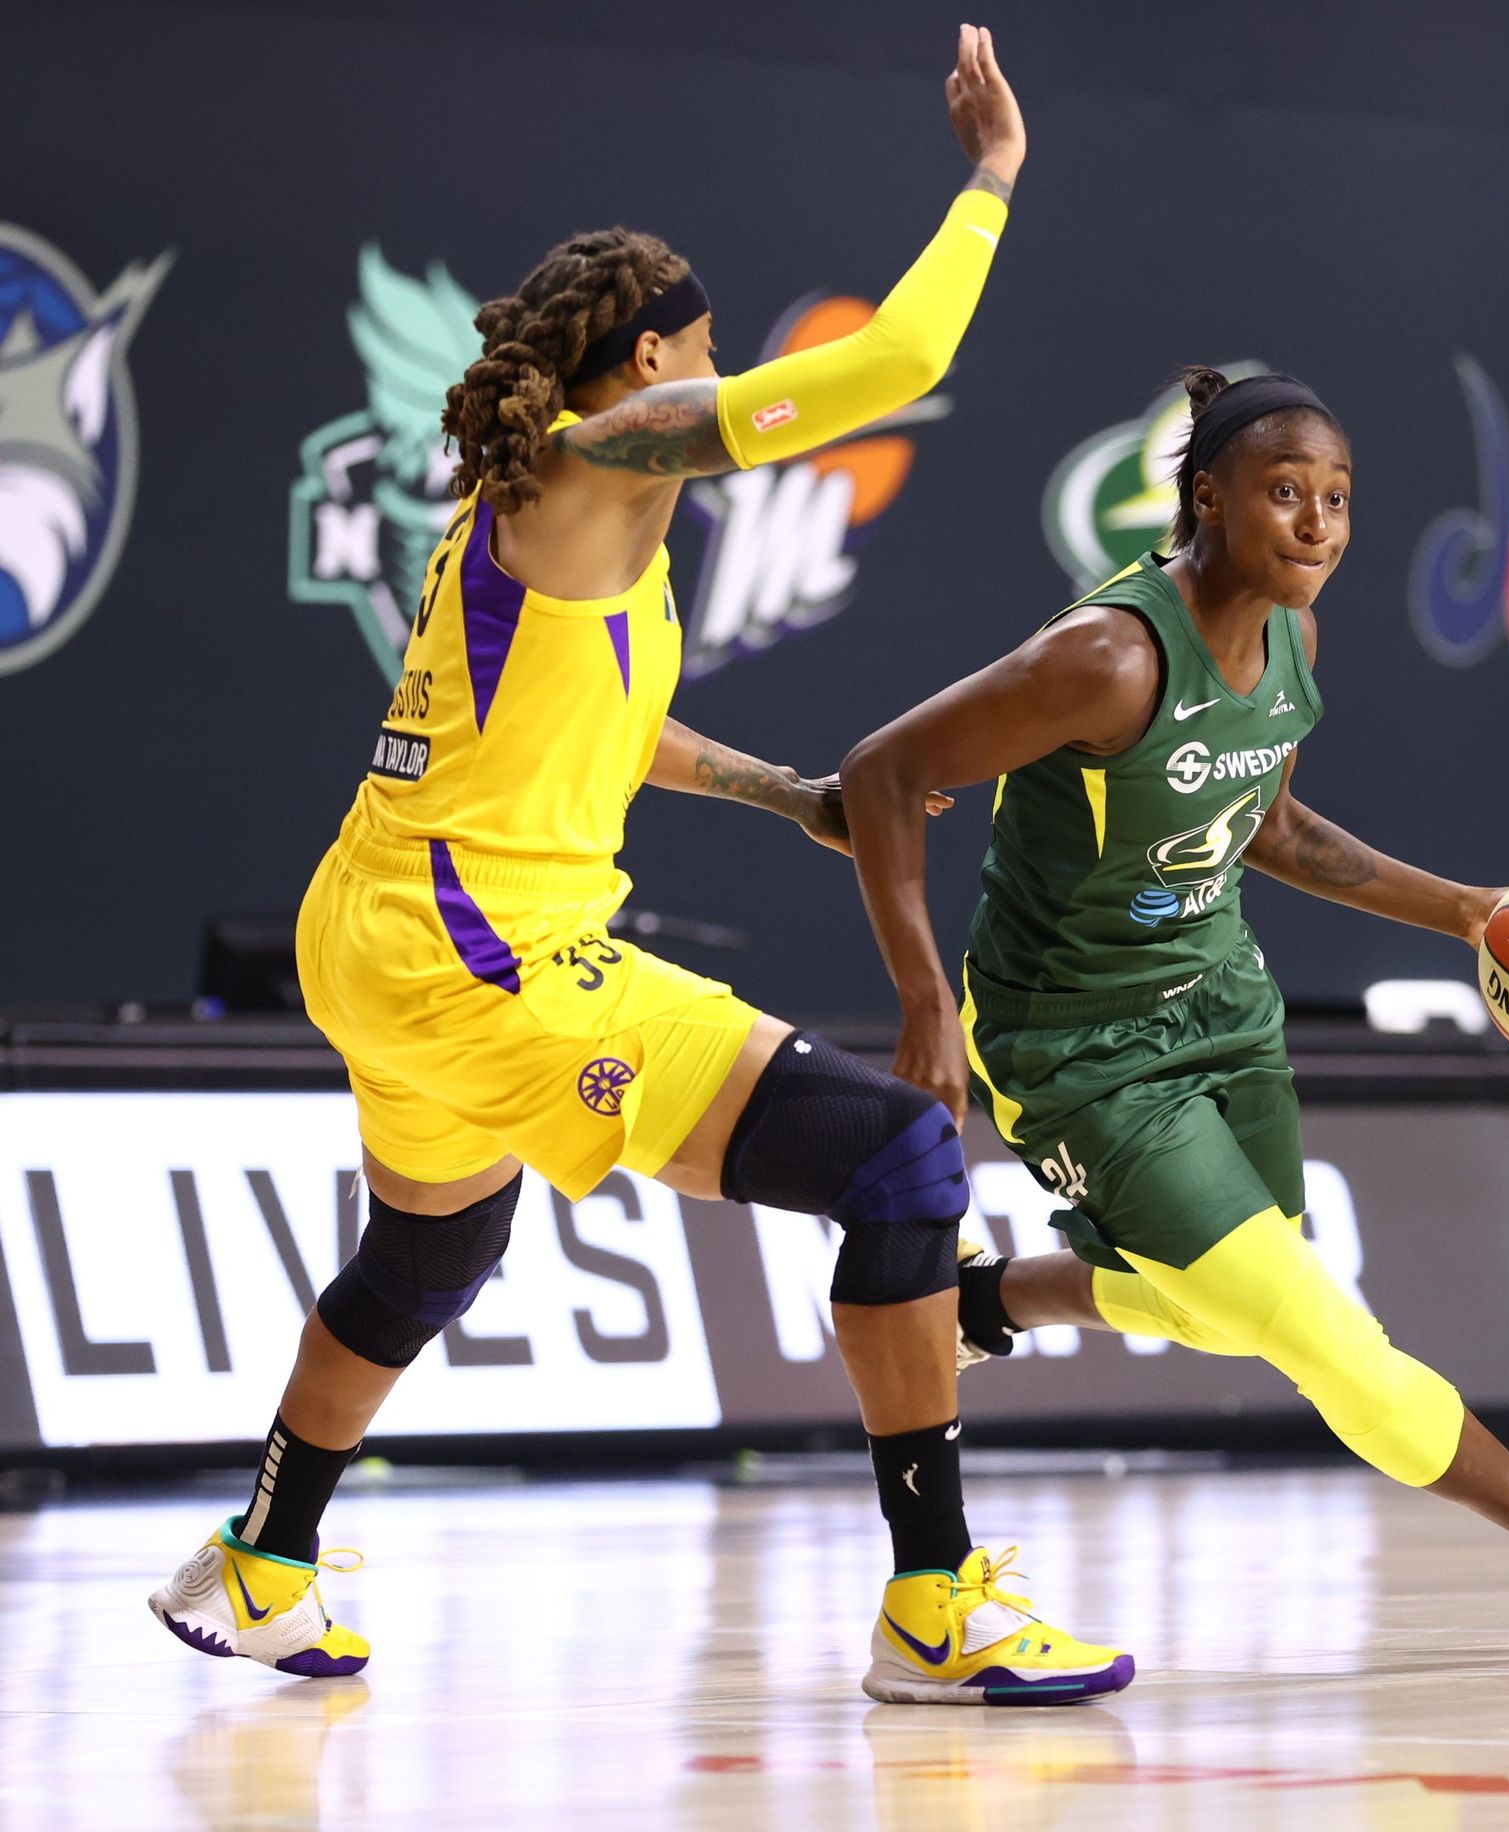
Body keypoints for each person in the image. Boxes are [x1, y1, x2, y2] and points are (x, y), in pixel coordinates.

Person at [148, 25, 1134, 1708]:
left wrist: (789, 795)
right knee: (899, 1159)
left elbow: (611, 727)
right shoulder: (612, 461)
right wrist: (990, 180)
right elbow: (890, 363)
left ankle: (260, 1560)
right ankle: (934, 1606)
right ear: (655, 358)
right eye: (702, 350)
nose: (715, 371)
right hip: (491, 953)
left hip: (380, 931)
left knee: (430, 1261)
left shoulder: (528, 507)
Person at [839, 366, 1509, 1660]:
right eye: (1286, 494)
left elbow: (1270, 828)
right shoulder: (1108, 658)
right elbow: (883, 773)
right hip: (1076, 1046)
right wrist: (922, 1010)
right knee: (1323, 1334)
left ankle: (991, 1305)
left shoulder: (1295, 637)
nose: (1317, 524)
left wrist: (1465, 910)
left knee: (1222, 1304)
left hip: (1224, 1008)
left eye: (1338, 499)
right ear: (1207, 497)